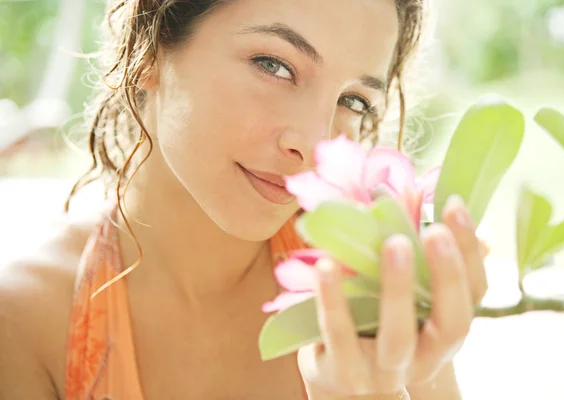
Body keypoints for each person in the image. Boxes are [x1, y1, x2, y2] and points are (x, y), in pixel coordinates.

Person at [0, 0, 488, 399]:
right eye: (274, 66)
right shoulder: (24, 321)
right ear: (148, 48)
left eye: (353, 100)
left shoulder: (375, 291)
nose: (315, 143)